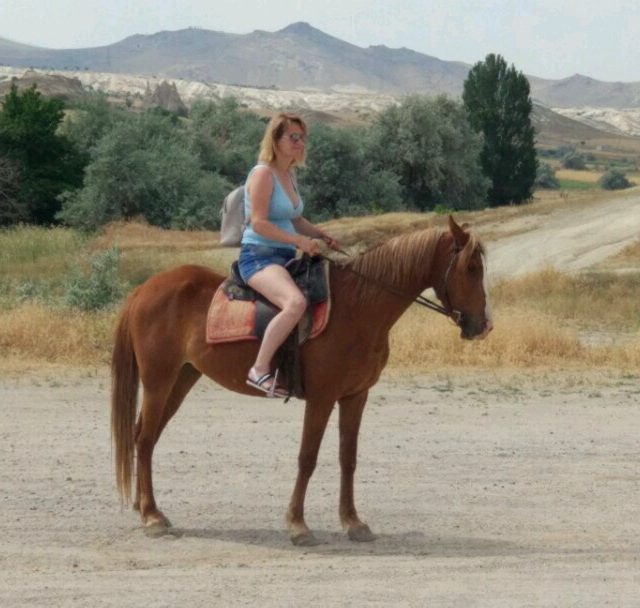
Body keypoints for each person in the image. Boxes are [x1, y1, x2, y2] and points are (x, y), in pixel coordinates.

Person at [238, 112, 339, 398]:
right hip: (259, 256)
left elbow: (295, 218)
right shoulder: (262, 173)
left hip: (285, 256)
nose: (299, 142)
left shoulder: (288, 174)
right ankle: (258, 369)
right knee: (294, 303)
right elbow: (258, 222)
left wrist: (320, 234)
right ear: (276, 139)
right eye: (292, 137)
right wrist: (299, 241)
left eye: (302, 137)